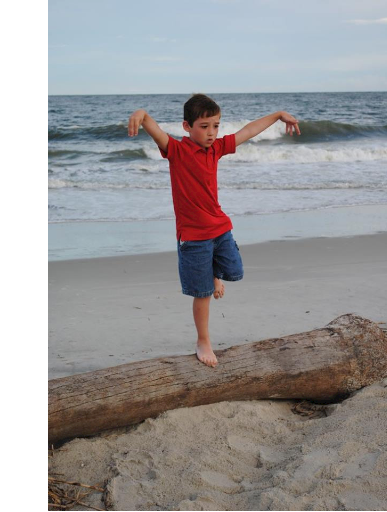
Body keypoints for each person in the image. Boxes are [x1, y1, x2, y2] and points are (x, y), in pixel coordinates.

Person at [128, 94, 301, 368]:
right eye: (204, 126)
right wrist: (142, 114)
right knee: (203, 295)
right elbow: (157, 132)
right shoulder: (177, 151)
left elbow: (248, 131)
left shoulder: (216, 149)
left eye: (216, 126)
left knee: (235, 271)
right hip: (194, 237)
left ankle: (214, 274)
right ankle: (203, 340)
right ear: (187, 126)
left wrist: (279, 114)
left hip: (220, 227)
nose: (211, 133)